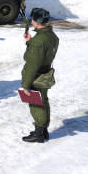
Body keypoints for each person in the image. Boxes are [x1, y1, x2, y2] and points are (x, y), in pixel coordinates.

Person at [20, 8, 59, 143]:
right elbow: (42, 52)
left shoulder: (39, 41)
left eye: (33, 19)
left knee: (36, 104)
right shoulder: (52, 36)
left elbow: (32, 64)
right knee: (44, 101)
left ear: (36, 22)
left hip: (36, 76)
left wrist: (25, 84)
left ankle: (39, 133)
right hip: (45, 73)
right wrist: (30, 42)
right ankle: (44, 130)